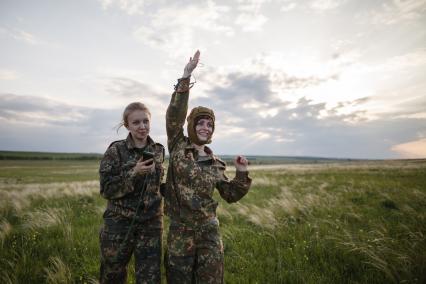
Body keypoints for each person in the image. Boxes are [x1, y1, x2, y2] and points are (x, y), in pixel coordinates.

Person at [164, 50, 252, 283]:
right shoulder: (177, 145)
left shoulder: (216, 164)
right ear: (191, 125)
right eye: (200, 123)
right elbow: (175, 115)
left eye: (210, 124)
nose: (205, 128)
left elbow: (231, 195)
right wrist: (186, 75)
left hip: (209, 233)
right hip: (180, 233)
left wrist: (242, 172)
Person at [98, 102, 165, 284]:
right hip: (119, 223)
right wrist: (133, 172)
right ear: (127, 125)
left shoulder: (158, 150)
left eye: (146, 121)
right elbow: (106, 189)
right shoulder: (115, 151)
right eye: (136, 122)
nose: (142, 126)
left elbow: (159, 185)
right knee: (113, 274)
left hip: (151, 223)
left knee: (150, 277)